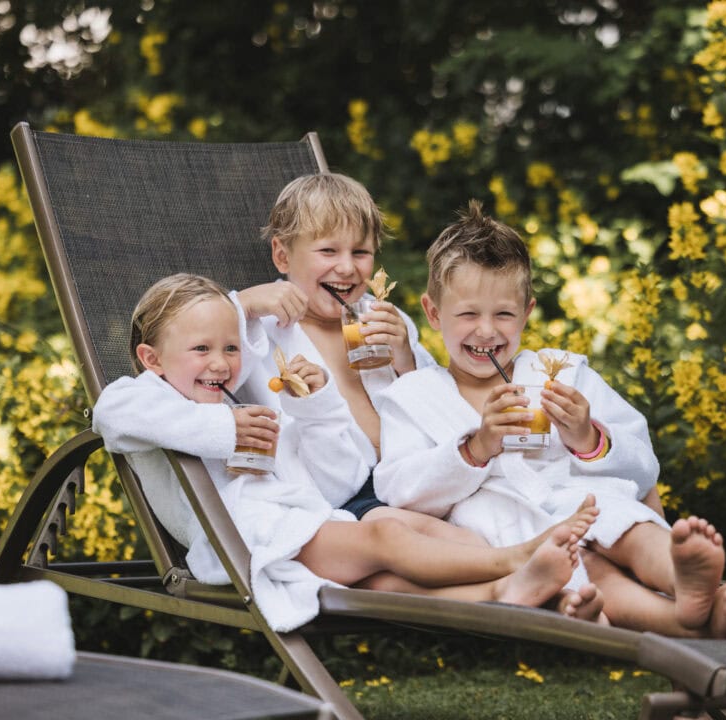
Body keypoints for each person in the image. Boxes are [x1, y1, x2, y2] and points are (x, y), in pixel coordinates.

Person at [91, 272, 594, 633]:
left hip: (299, 520)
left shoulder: (233, 398)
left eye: (232, 348)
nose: (221, 363)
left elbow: (326, 474)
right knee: (384, 534)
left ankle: (504, 591)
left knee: (393, 556)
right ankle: (514, 559)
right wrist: (226, 425)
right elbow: (109, 414)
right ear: (151, 359)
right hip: (247, 540)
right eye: (202, 350)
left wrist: (314, 406)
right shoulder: (144, 397)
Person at [373, 201, 726, 637]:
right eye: (468, 315)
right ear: (432, 314)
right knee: (592, 570)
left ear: (527, 313)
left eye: (504, 314)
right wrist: (475, 447)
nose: (487, 331)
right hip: (509, 528)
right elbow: (398, 489)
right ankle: (686, 619)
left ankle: (684, 578)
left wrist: (588, 437)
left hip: (586, 498)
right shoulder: (412, 396)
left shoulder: (560, 373)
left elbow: (642, 463)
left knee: (629, 525)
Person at [230, 172, 605, 619]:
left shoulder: (384, 320)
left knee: (457, 546)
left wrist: (406, 357)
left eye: (361, 252)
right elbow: (190, 333)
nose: (347, 267)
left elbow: (439, 402)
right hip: (337, 496)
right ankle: (520, 572)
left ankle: (525, 587)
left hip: (411, 482)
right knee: (391, 554)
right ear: (281, 254)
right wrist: (245, 303)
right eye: (328, 251)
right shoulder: (257, 334)